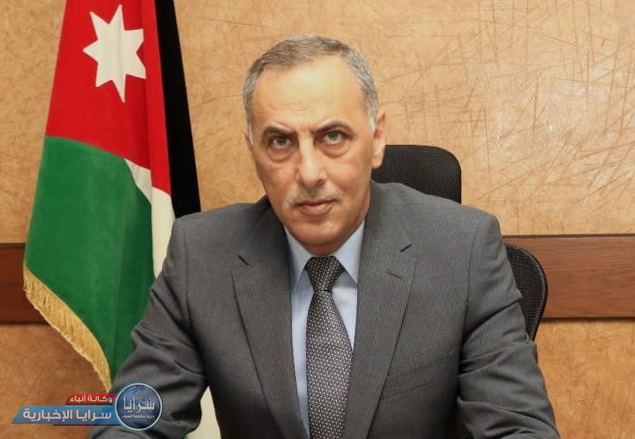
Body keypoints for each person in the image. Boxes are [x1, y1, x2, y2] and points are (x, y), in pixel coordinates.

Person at [90, 34, 559, 438]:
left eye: (332, 136)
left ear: (376, 139)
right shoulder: (202, 255)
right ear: (252, 150)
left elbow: (518, 427)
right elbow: (133, 419)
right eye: (280, 141)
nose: (309, 172)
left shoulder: (464, 250)